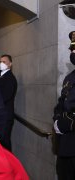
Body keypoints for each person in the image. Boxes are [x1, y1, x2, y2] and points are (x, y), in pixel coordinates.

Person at [53, 31, 75, 180]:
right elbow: (61, 102)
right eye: (72, 49)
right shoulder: (70, 77)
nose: (73, 53)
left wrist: (67, 123)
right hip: (66, 145)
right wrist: (56, 120)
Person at [0, 54, 17, 151]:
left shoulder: (10, 78)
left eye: (4, 62)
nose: (1, 64)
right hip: (0, 115)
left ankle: (9, 165)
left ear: (10, 64)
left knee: (4, 142)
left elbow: (6, 96)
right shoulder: (0, 76)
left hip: (6, 115)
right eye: (0, 61)